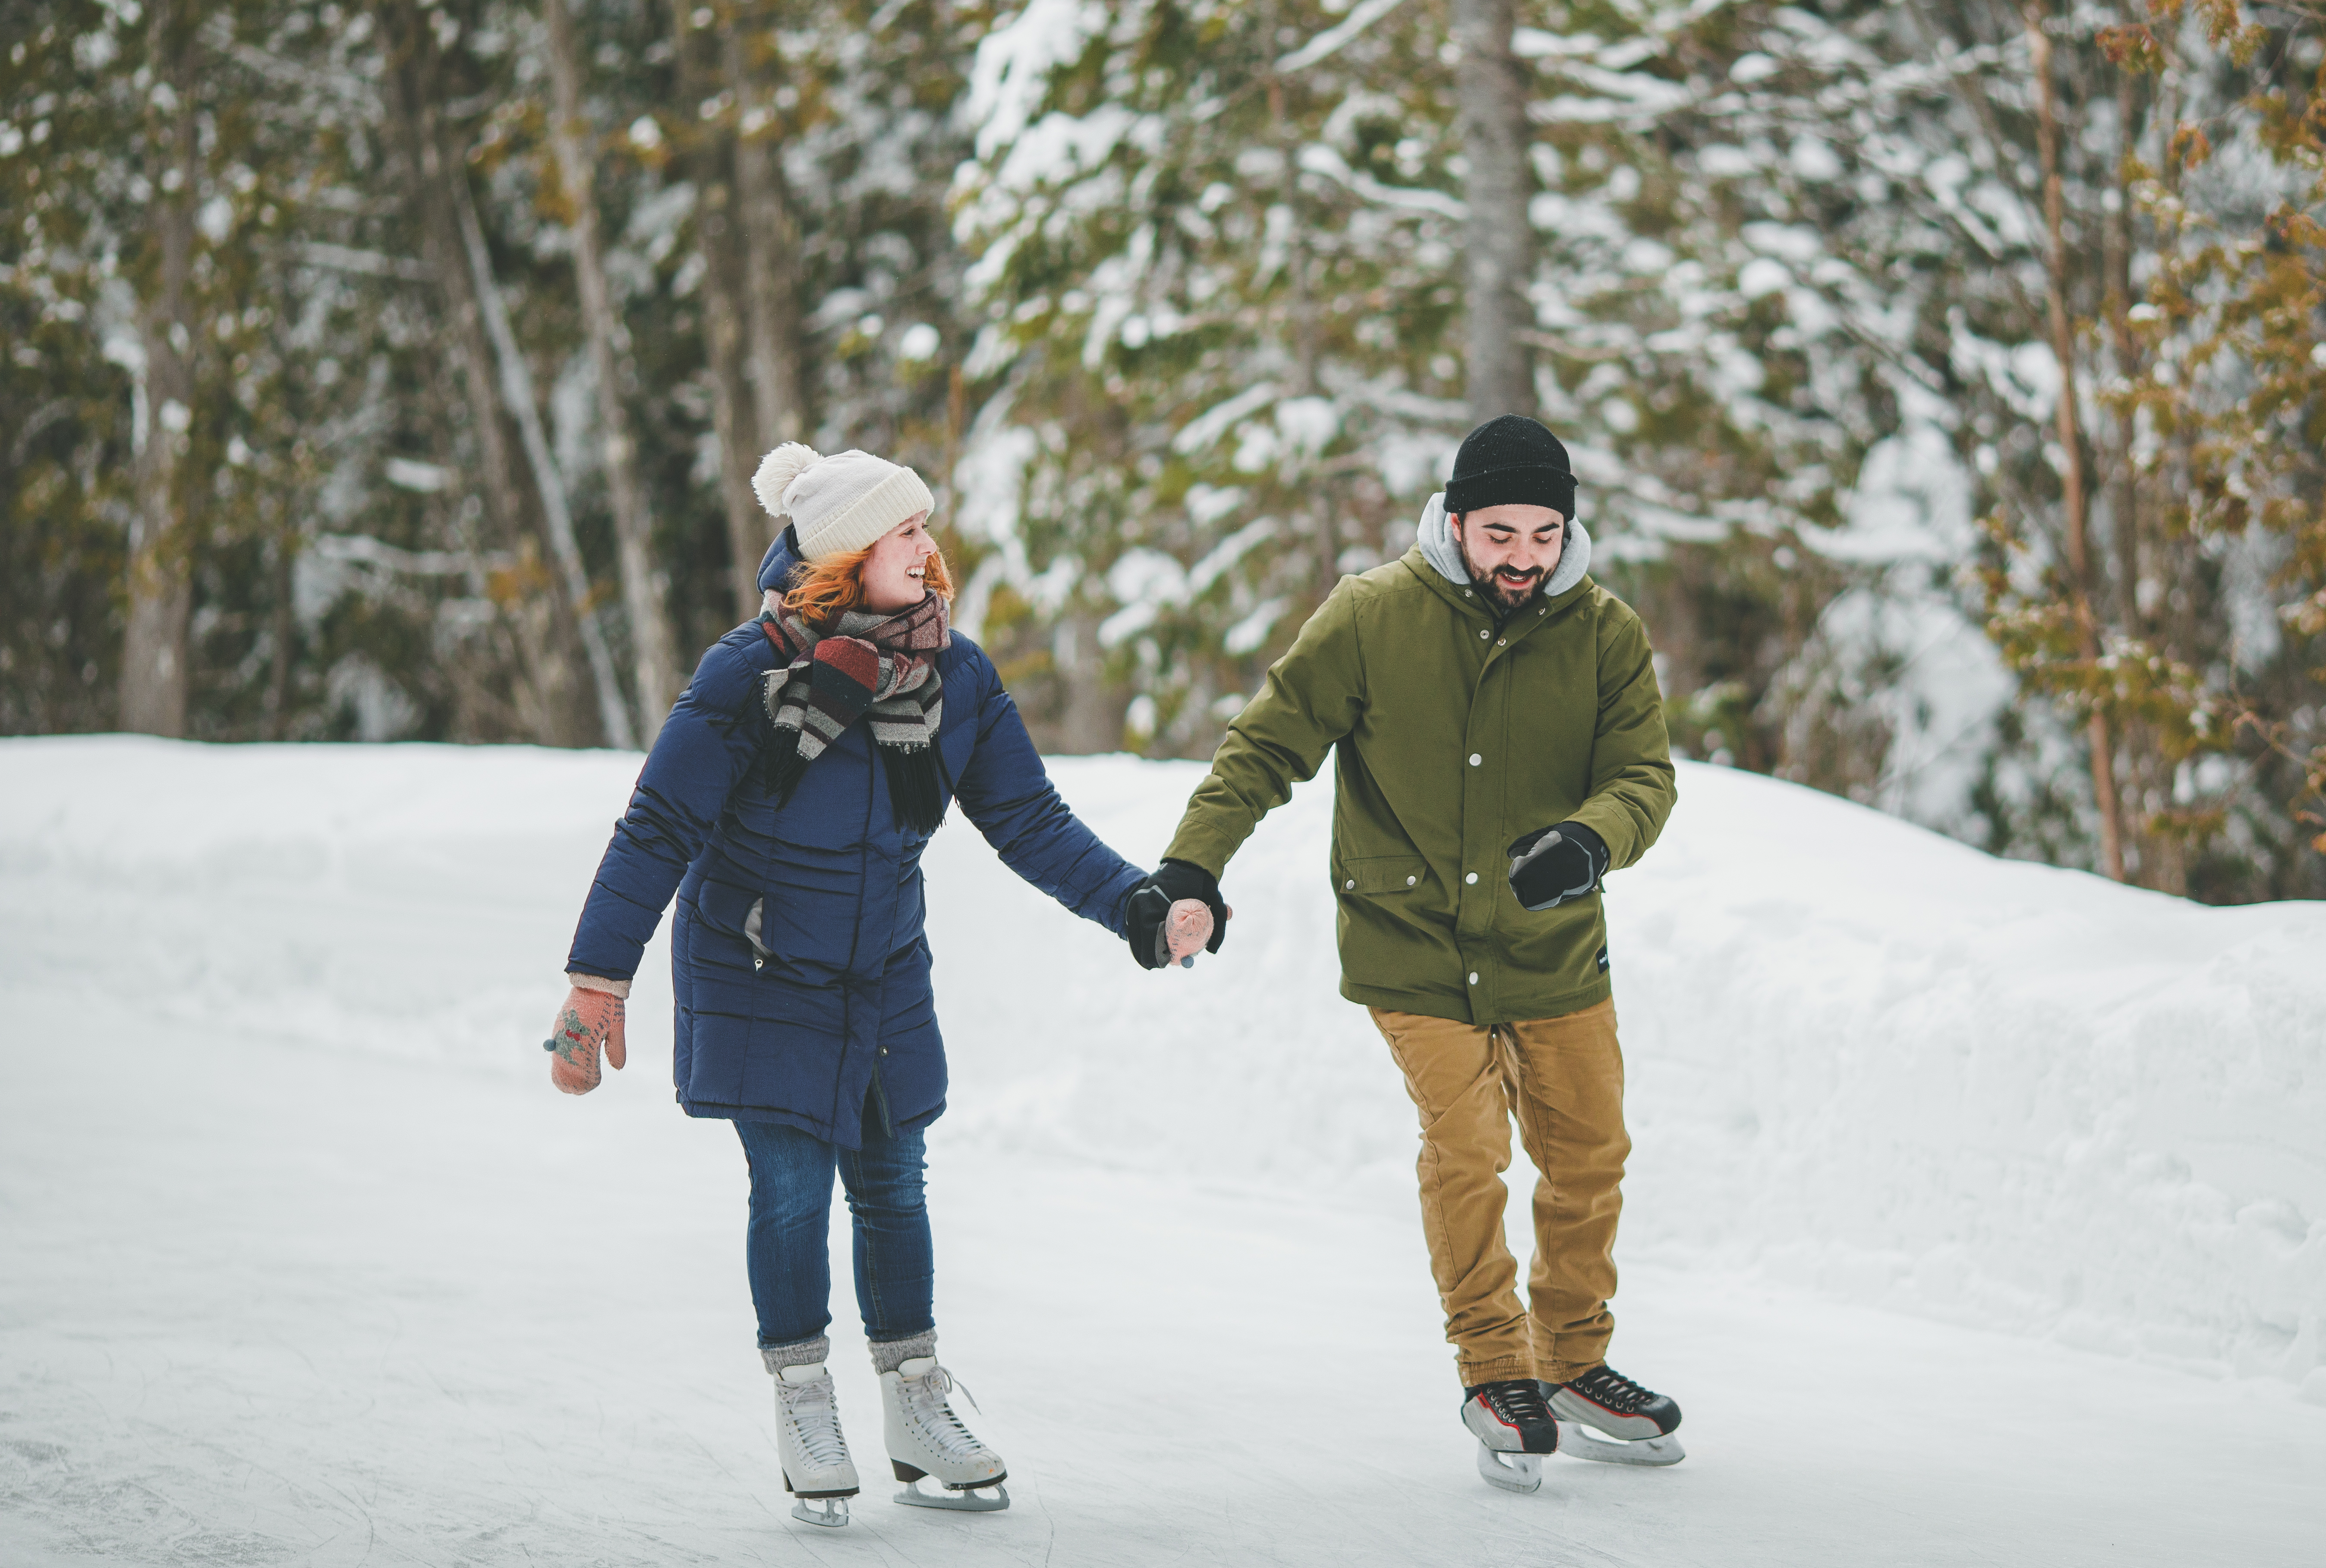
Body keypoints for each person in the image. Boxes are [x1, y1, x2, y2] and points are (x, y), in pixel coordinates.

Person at [543, 442, 1217, 1530]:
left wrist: (1137, 905)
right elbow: (659, 825)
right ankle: (806, 1399)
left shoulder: (953, 674)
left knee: (896, 1184)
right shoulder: (748, 675)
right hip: (758, 963)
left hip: (881, 966)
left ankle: (915, 1404)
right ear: (848, 557)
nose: (929, 547)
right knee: (795, 1188)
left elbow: (1030, 820)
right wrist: (597, 981)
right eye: (905, 530)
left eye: (925, 526)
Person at [1143, 413, 1682, 1492]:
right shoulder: (1373, 615)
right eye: (1499, 533)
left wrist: (1588, 840)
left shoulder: (1603, 631)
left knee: (1589, 1153)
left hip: (1553, 944)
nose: (1522, 557)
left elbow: (1644, 777)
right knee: (1468, 1141)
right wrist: (1191, 869)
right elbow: (1266, 745)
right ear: (1455, 520)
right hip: (1415, 941)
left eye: (1542, 534)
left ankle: (1573, 1358)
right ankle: (1496, 1365)